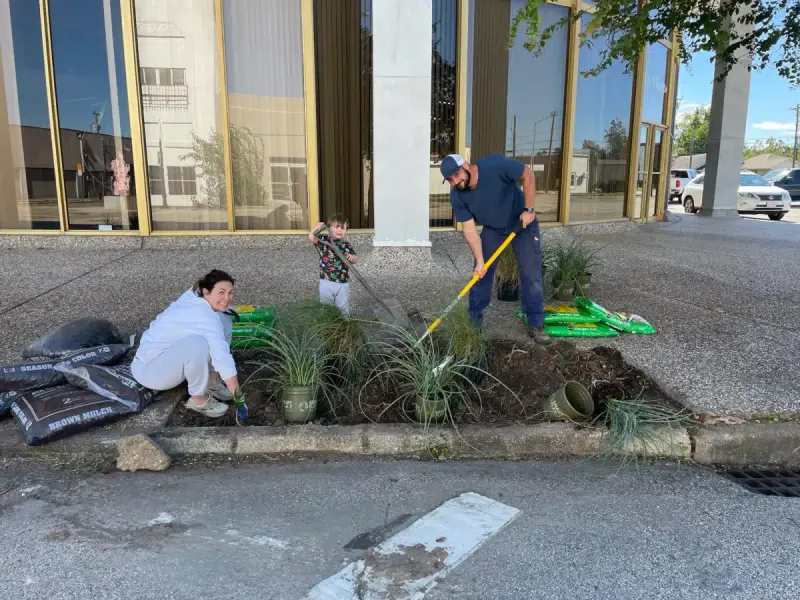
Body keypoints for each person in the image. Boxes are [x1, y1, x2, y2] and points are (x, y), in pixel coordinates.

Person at [440, 153, 551, 345]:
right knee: (480, 273)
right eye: (450, 179)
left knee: (530, 273)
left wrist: (529, 209)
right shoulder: (457, 195)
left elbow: (528, 175)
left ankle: (535, 323)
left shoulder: (494, 165)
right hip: (493, 229)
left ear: (466, 165)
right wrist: (480, 260)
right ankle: (474, 322)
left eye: (456, 175)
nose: (455, 182)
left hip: (522, 224)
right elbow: (469, 229)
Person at [131, 269, 241, 418]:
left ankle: (212, 383)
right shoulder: (203, 314)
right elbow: (222, 358)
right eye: (221, 292)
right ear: (206, 291)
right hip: (150, 372)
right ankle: (198, 400)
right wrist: (239, 397)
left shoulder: (198, 297)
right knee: (197, 345)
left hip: (167, 359)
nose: (227, 298)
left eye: (230, 293)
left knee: (225, 315)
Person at [308, 214, 358, 316]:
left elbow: (356, 258)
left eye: (343, 228)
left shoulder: (346, 245)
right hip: (326, 282)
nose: (340, 230)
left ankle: (344, 325)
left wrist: (352, 258)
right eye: (336, 227)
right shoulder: (324, 240)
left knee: (343, 308)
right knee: (327, 308)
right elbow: (312, 237)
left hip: (342, 282)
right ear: (329, 228)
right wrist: (319, 227)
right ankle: (328, 326)